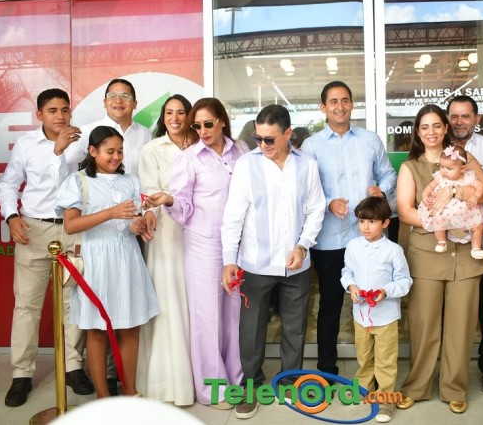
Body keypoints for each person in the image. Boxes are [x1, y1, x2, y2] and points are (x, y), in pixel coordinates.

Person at [220, 104, 325, 420]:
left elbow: (316, 209)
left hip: (296, 264)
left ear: (288, 133)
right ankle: (250, 388)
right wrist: (229, 260)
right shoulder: (246, 165)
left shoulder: (307, 164)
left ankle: (289, 383)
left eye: (269, 139)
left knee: (295, 327)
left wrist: (303, 246)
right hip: (254, 264)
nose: (262, 145)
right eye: (258, 138)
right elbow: (233, 215)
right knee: (251, 330)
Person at [395, 105, 483, 414]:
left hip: (465, 255)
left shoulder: (464, 158)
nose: (431, 132)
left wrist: (454, 194)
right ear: (418, 132)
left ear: (445, 128)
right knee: (423, 324)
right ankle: (417, 387)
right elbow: (405, 212)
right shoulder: (411, 167)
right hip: (428, 253)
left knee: (461, 325)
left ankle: (455, 387)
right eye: (425, 127)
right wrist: (446, 223)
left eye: (437, 125)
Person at [147, 98, 247, 407]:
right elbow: (183, 206)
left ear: (222, 122)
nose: (202, 130)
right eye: (197, 125)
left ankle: (236, 380)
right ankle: (212, 389)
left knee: (233, 315)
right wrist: (168, 200)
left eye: (208, 124)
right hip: (204, 243)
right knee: (207, 316)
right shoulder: (189, 158)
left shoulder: (241, 151)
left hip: (238, 243)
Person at [0, 88, 93, 407]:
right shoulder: (26, 144)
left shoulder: (80, 143)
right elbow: (9, 185)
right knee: (27, 305)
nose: (60, 116)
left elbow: (69, 185)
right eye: (52, 110)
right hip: (33, 229)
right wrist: (11, 216)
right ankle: (21, 374)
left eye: (65, 110)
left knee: (72, 302)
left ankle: (73, 367)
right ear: (39, 114)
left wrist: (61, 150)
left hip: (71, 227)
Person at [300, 81, 397, 375]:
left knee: (372, 303)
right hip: (330, 240)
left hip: (368, 239)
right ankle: (327, 369)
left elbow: (388, 174)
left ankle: (373, 372)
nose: (339, 106)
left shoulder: (370, 140)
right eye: (333, 101)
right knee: (330, 305)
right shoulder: (311, 146)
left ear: (352, 104)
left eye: (345, 100)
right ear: (323, 107)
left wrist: (381, 190)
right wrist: (328, 202)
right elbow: (304, 189)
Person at [56, 126, 159, 398]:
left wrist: (137, 224)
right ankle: (103, 396)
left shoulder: (131, 181)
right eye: (109, 151)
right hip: (95, 260)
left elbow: (133, 219)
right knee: (97, 330)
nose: (116, 157)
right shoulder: (78, 181)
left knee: (130, 326)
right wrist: (110, 213)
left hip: (127, 258)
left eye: (120, 151)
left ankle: (130, 392)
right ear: (93, 151)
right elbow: (71, 225)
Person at [135, 94, 195, 405]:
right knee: (169, 301)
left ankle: (200, 377)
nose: (175, 118)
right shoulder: (152, 148)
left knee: (195, 302)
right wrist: (150, 211)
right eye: (169, 113)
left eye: (181, 112)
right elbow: (148, 192)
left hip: (199, 228)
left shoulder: (201, 144)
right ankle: (167, 382)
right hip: (165, 229)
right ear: (163, 117)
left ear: (190, 116)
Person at [447, 95, 483, 394]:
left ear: (476, 119)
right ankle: (449, 369)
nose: (459, 122)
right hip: (450, 244)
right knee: (452, 310)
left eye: (465, 116)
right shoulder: (440, 148)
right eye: (454, 116)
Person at [341, 196, 411, 424]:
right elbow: (347, 271)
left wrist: (385, 291)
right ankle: (364, 389)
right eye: (362, 221)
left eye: (372, 222)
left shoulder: (393, 250)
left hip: (386, 317)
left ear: (385, 223)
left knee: (385, 360)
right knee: (364, 356)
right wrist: (351, 286)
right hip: (360, 315)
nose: (366, 227)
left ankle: (386, 400)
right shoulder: (353, 246)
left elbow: (404, 281)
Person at [54, 78, 151, 176]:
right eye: (112, 96)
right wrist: (58, 151)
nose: (118, 100)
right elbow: (67, 174)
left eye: (125, 96)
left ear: (135, 104)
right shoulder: (86, 132)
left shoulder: (146, 134)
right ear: (104, 103)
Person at [418, 145, 483, 260]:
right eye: (442, 167)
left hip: (467, 211)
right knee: (437, 219)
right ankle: (441, 241)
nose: (444, 171)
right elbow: (430, 186)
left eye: (449, 169)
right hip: (444, 210)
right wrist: (425, 195)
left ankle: (476, 248)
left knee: (478, 226)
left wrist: (476, 196)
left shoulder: (468, 177)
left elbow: (480, 186)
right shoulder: (441, 177)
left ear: (462, 168)